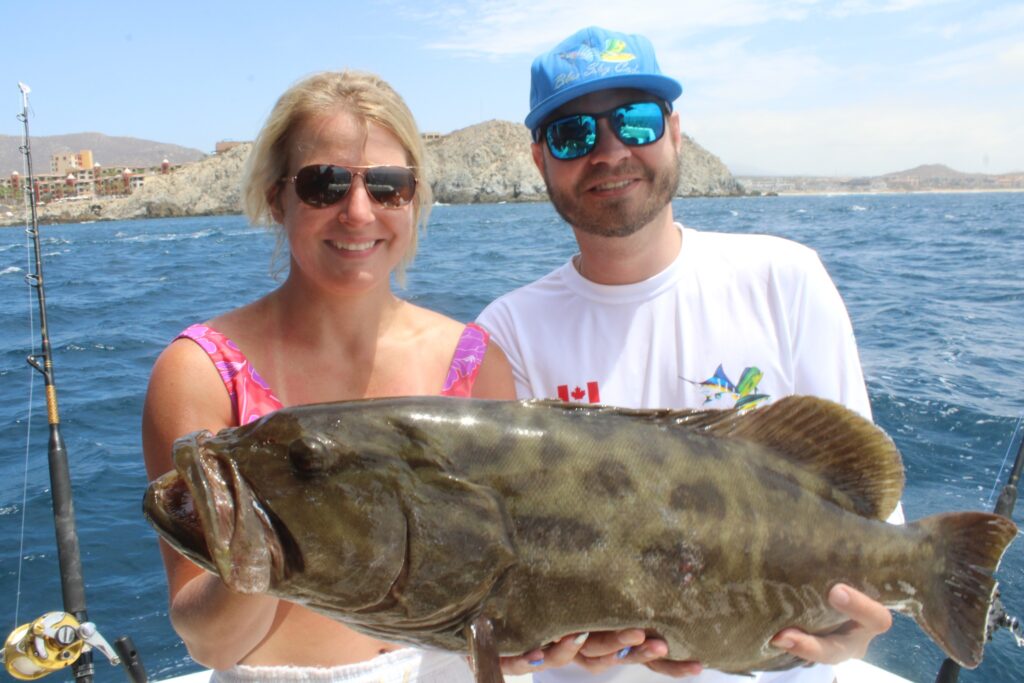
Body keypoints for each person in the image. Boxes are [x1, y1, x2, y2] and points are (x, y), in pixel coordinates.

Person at [478, 26, 901, 683]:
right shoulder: (506, 333)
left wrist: (853, 628)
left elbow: (869, 517)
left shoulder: (786, 279)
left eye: (636, 121)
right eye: (573, 134)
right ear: (540, 160)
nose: (609, 151)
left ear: (674, 131)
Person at [142, 70, 515, 683]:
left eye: (389, 187)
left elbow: (503, 591)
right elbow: (209, 643)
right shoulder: (201, 371)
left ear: (414, 200)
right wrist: (284, 534)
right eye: (325, 184)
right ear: (275, 198)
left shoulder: (476, 364)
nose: (359, 211)